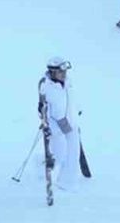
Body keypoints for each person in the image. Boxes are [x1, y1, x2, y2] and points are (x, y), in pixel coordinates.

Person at [39, 57, 83, 190]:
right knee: (59, 155)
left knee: (73, 154)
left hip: (71, 121)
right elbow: (44, 110)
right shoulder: (47, 87)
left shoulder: (68, 83)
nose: (64, 74)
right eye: (60, 72)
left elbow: (72, 99)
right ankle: (41, 166)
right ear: (52, 72)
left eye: (65, 71)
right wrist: (46, 123)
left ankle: (67, 182)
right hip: (57, 125)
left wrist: (77, 110)